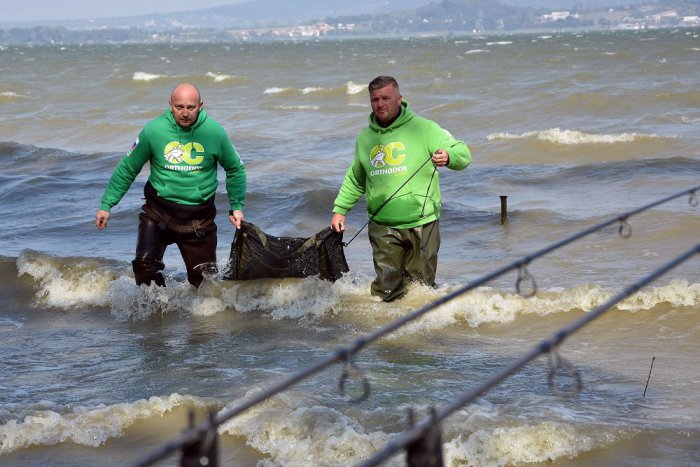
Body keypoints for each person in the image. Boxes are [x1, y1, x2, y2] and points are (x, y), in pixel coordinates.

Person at [330, 76, 471, 302]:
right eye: (375, 99)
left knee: (420, 289)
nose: (380, 104)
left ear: (400, 99)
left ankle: (417, 332)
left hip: (422, 222)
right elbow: (356, 178)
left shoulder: (424, 128)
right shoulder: (365, 138)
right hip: (382, 225)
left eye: (386, 98)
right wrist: (340, 210)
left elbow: (463, 153)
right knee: (386, 290)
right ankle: (385, 332)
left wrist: (449, 156)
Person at [95, 82, 246, 288]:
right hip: (158, 213)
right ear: (170, 105)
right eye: (179, 107)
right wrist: (107, 204)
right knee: (144, 269)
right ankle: (160, 311)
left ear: (200, 106)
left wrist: (236, 206)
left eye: (190, 107)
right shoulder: (153, 131)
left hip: (198, 219)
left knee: (205, 286)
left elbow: (235, 168)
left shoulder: (215, 133)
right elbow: (128, 168)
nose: (185, 113)